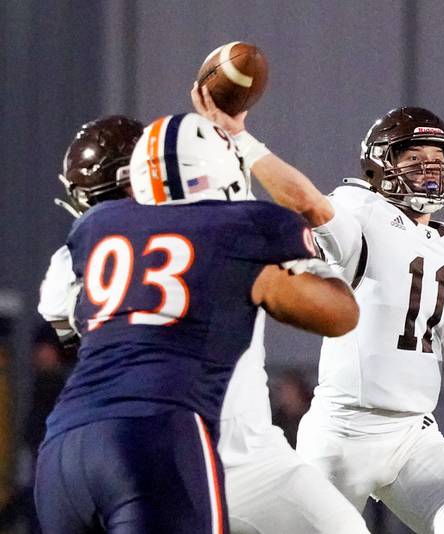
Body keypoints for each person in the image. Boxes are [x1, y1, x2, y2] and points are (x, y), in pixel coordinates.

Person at [194, 86, 444, 533]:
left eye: (437, 157)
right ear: (381, 165)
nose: (430, 168)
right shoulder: (362, 210)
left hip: (414, 435)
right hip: (342, 431)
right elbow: (308, 202)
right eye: (414, 159)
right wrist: (242, 139)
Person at [38, 113, 371, 534]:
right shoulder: (239, 225)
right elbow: (339, 313)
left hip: (67, 440)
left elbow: (69, 322)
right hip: (172, 439)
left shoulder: (91, 234)